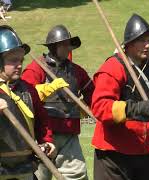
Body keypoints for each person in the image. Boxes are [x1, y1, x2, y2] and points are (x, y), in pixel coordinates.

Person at [91, 13, 149, 180]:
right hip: (115, 152)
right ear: (129, 43)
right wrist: (133, 108)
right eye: (142, 40)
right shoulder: (113, 67)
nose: (148, 45)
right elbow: (100, 107)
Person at [21, 24, 94, 180]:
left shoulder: (76, 71)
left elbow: (92, 93)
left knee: (77, 175)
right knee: (38, 176)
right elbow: (24, 97)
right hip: (43, 134)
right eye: (64, 44)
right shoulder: (36, 68)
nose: (69, 48)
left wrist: (88, 107)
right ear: (54, 46)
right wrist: (47, 88)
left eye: (69, 44)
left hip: (70, 134)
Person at [0, 25, 55, 180]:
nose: (19, 65)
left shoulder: (28, 90)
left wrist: (47, 142)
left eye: (21, 60)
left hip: (25, 169)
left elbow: (42, 121)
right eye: (13, 61)